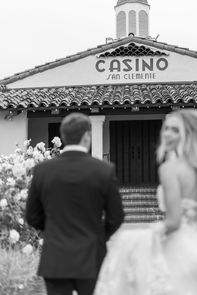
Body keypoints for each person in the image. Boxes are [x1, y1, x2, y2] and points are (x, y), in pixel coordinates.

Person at [94, 108, 197, 295]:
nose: (167, 133)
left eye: (175, 129)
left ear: (187, 134)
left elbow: (173, 222)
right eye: (166, 128)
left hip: (183, 244)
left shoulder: (170, 169)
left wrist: (147, 234)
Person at [25, 112, 124, 295]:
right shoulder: (103, 170)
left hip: (56, 257)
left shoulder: (42, 171)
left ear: (63, 137)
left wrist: (54, 229)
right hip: (91, 256)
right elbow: (116, 216)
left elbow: (32, 216)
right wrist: (99, 235)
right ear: (87, 137)